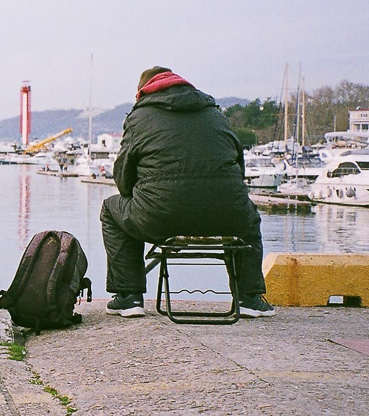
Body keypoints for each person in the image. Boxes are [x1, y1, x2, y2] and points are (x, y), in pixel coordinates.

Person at [100, 66, 274, 319]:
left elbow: (123, 182)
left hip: (160, 217)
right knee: (248, 215)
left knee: (111, 208)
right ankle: (248, 298)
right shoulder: (215, 114)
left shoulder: (139, 117)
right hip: (227, 217)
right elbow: (239, 168)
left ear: (142, 93)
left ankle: (129, 297)